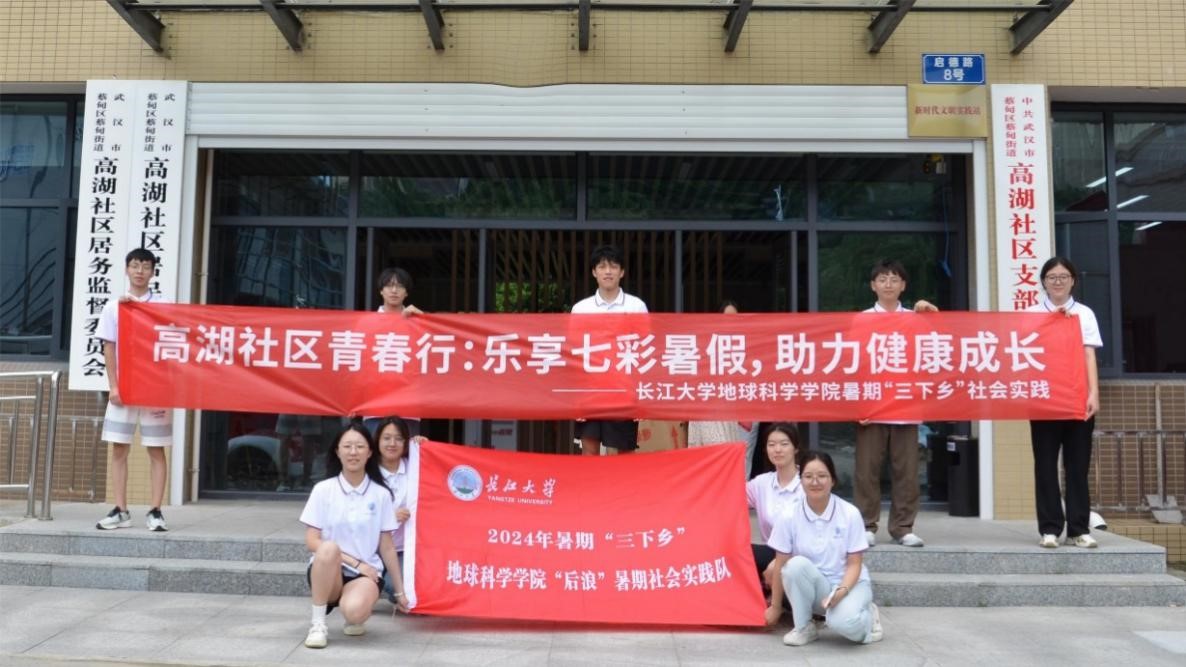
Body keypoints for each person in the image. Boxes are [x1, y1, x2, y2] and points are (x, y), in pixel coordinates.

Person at [299, 422, 407, 649]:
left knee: (355, 612)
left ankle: (354, 615)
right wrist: (356, 563)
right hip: (328, 570)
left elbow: (387, 546)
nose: (353, 452)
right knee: (328, 548)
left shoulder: (381, 494)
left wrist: (400, 592)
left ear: (370, 452)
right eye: (347, 446)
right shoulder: (323, 490)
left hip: (365, 574)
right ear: (337, 452)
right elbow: (312, 541)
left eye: (360, 446)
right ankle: (317, 625)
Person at [854, 259, 937, 548]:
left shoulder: (916, 318)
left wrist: (933, 315)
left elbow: (940, 345)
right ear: (872, 285)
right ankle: (866, 525)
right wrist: (857, 405)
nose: (888, 284)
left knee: (907, 472)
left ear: (903, 285)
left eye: (894, 279)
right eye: (882, 279)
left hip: (906, 405)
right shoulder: (862, 319)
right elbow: (852, 364)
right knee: (867, 471)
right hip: (872, 407)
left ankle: (903, 527)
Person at [766, 451, 882, 647]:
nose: (815, 482)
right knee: (794, 566)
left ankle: (868, 617)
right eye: (808, 476)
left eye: (822, 476)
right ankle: (804, 627)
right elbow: (780, 563)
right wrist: (775, 607)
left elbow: (855, 564)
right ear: (800, 481)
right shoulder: (789, 515)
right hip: (818, 588)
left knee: (842, 624)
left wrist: (841, 591)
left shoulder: (850, 513)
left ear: (833, 480)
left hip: (850, 585)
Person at [1027, 256, 1102, 549]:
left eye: (1063, 277)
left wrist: (1093, 394)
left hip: (1077, 399)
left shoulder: (1084, 314)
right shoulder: (1032, 314)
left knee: (1077, 467)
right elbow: (1023, 352)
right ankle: (1049, 529)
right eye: (1052, 277)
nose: (1057, 282)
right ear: (1043, 283)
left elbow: (1088, 355)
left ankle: (1078, 529)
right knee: (1045, 466)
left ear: (1073, 281)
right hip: (1044, 399)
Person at [95, 248, 172, 532]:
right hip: (123, 389)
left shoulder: (162, 306)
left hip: (154, 389)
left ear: (153, 272)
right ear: (126, 269)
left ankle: (156, 511)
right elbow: (109, 347)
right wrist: (113, 386)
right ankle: (120, 510)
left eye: (146, 266)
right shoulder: (113, 307)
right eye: (135, 265)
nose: (140, 271)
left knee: (156, 448)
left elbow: (172, 343)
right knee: (119, 447)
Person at [571, 245, 648, 456]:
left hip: (624, 391)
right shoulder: (580, 309)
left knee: (624, 453)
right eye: (602, 266)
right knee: (589, 449)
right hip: (589, 392)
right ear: (594, 272)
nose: (608, 271)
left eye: (613, 266)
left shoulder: (636, 307)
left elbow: (644, 352)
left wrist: (640, 398)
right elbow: (574, 356)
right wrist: (575, 399)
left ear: (622, 272)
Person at [363, 267, 423, 439]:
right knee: (375, 451)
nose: (394, 290)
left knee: (406, 451)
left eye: (400, 286)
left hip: (408, 406)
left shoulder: (417, 321)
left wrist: (424, 322)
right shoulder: (367, 322)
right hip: (375, 406)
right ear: (381, 290)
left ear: (406, 292)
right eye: (389, 285)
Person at [688, 300, 753, 454]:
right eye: (727, 318)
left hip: (740, 411)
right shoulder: (706, 343)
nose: (731, 323)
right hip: (711, 412)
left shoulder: (747, 344)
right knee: (714, 454)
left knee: (740, 457)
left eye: (736, 318)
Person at [746, 423, 804, 592]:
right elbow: (729, 498)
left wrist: (780, 562)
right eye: (771, 445)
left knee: (781, 570)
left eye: (784, 444)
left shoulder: (808, 482)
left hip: (803, 556)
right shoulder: (761, 483)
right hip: (772, 552)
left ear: (795, 448)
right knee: (737, 553)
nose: (777, 450)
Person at [375, 416, 413, 601]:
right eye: (386, 438)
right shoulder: (367, 471)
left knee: (406, 587)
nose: (392, 443)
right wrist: (389, 517)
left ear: (406, 443)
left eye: (398, 438)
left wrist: (426, 448)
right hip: (370, 549)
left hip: (403, 549)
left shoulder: (416, 466)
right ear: (377, 441)